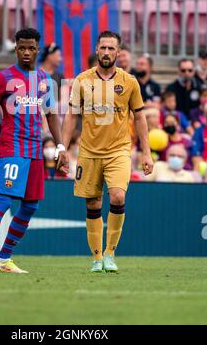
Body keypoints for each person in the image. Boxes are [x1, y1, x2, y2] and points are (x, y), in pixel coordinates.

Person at [0, 27, 66, 274]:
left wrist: (60, 146)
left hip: (35, 149)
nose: (26, 52)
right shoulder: (3, 78)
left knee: (31, 205)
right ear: (15, 48)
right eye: (21, 47)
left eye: (31, 48)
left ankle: (4, 258)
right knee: (4, 199)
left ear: (38, 50)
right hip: (12, 147)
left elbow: (52, 115)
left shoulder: (45, 80)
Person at [60, 31, 153, 273]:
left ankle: (110, 253)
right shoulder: (82, 80)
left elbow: (140, 117)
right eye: (103, 48)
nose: (107, 52)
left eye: (112, 49)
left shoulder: (130, 82)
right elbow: (71, 116)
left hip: (118, 150)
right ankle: (96, 257)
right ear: (97, 49)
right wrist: (63, 147)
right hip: (89, 151)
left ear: (118, 52)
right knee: (93, 203)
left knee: (118, 197)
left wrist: (147, 152)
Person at [192, 102, 207, 171]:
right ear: (204, 116)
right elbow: (195, 151)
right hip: (204, 165)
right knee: (196, 159)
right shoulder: (199, 131)